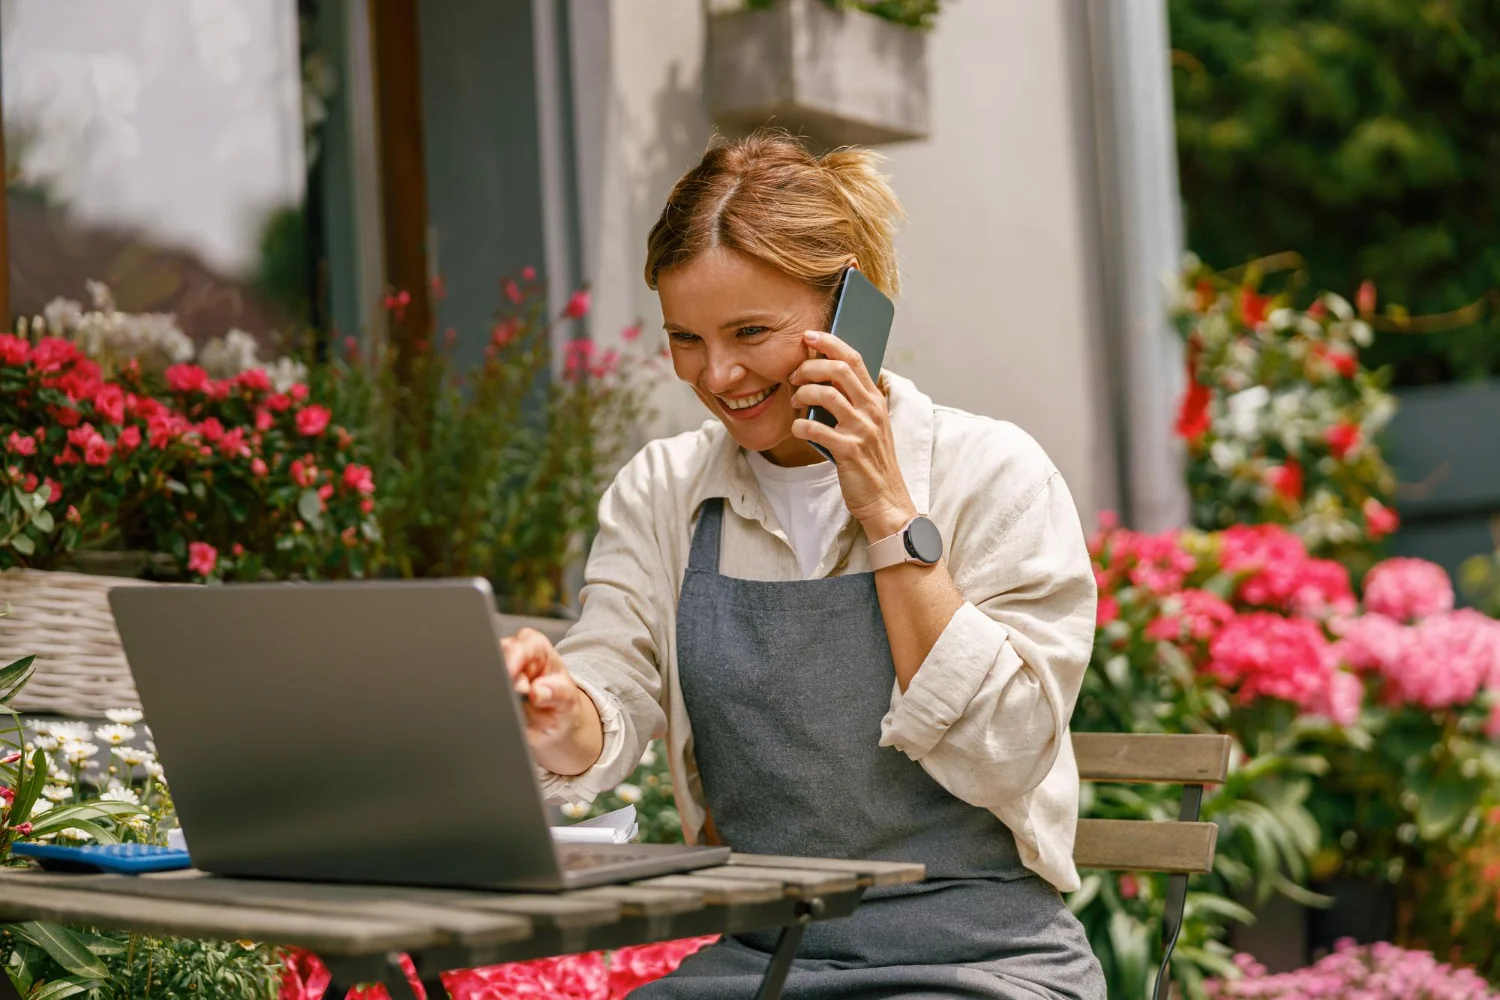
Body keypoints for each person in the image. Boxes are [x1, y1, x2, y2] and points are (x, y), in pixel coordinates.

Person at [502, 131, 1105, 999]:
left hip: (980, 959)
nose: (719, 374)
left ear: (853, 307)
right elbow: (614, 683)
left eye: (751, 331)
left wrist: (890, 513)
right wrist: (563, 711)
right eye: (686, 338)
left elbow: (1007, 752)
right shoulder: (662, 492)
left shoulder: (994, 476)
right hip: (761, 961)